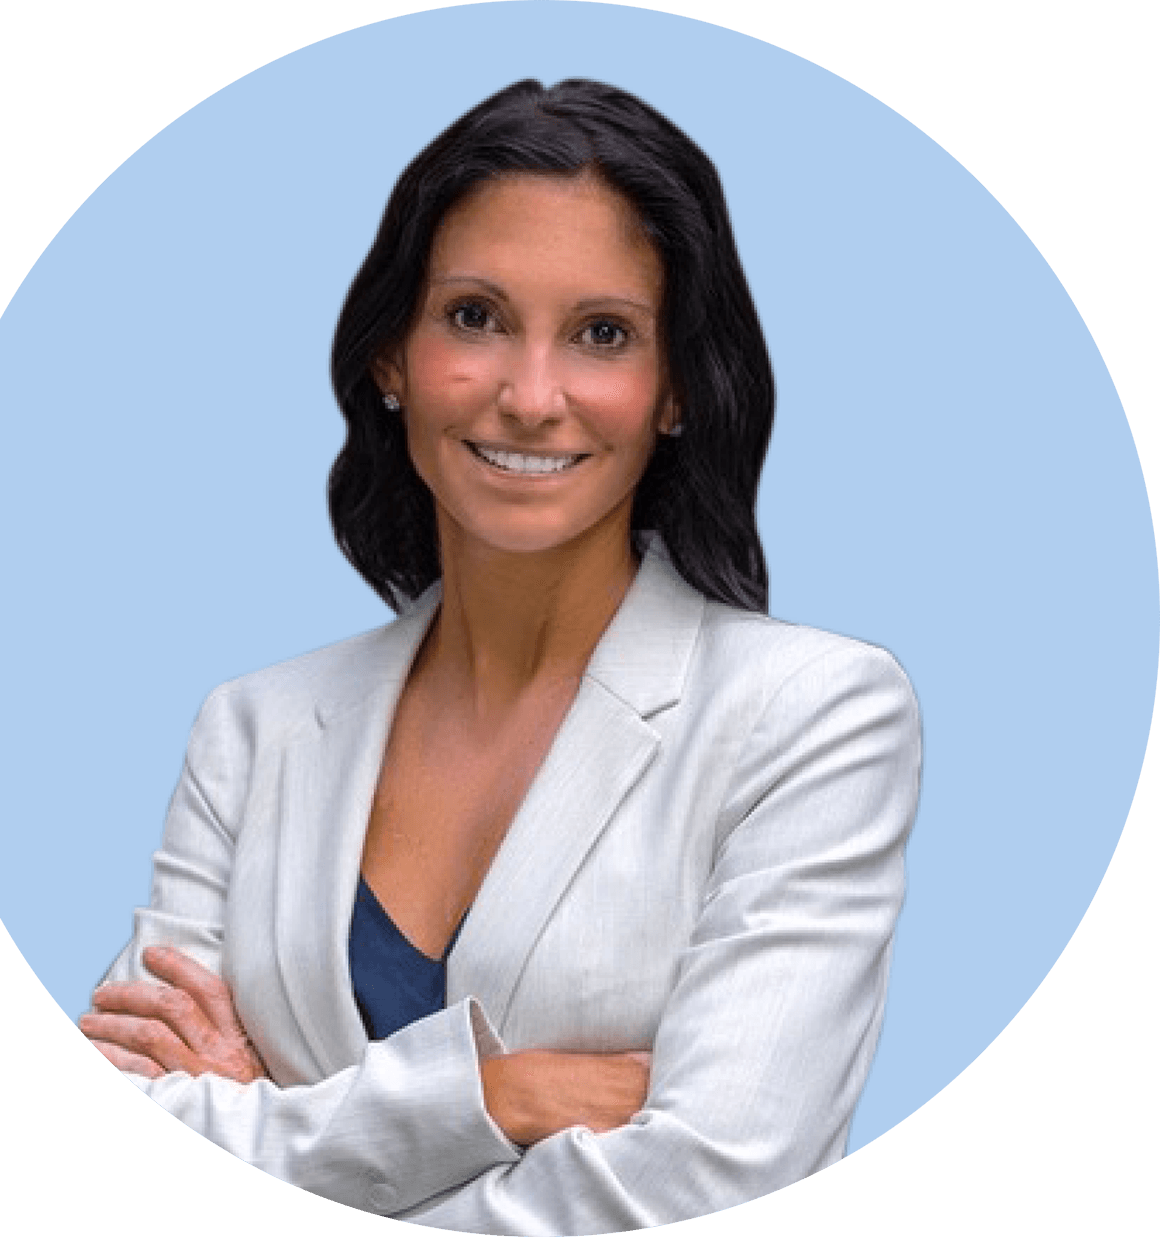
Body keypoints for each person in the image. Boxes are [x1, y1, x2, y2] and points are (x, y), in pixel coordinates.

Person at [80, 78, 922, 1230]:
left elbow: (721, 1179)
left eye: (602, 334)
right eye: (474, 316)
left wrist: (282, 1122)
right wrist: (491, 1096)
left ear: (674, 387)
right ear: (389, 357)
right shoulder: (253, 728)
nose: (531, 397)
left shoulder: (814, 715)